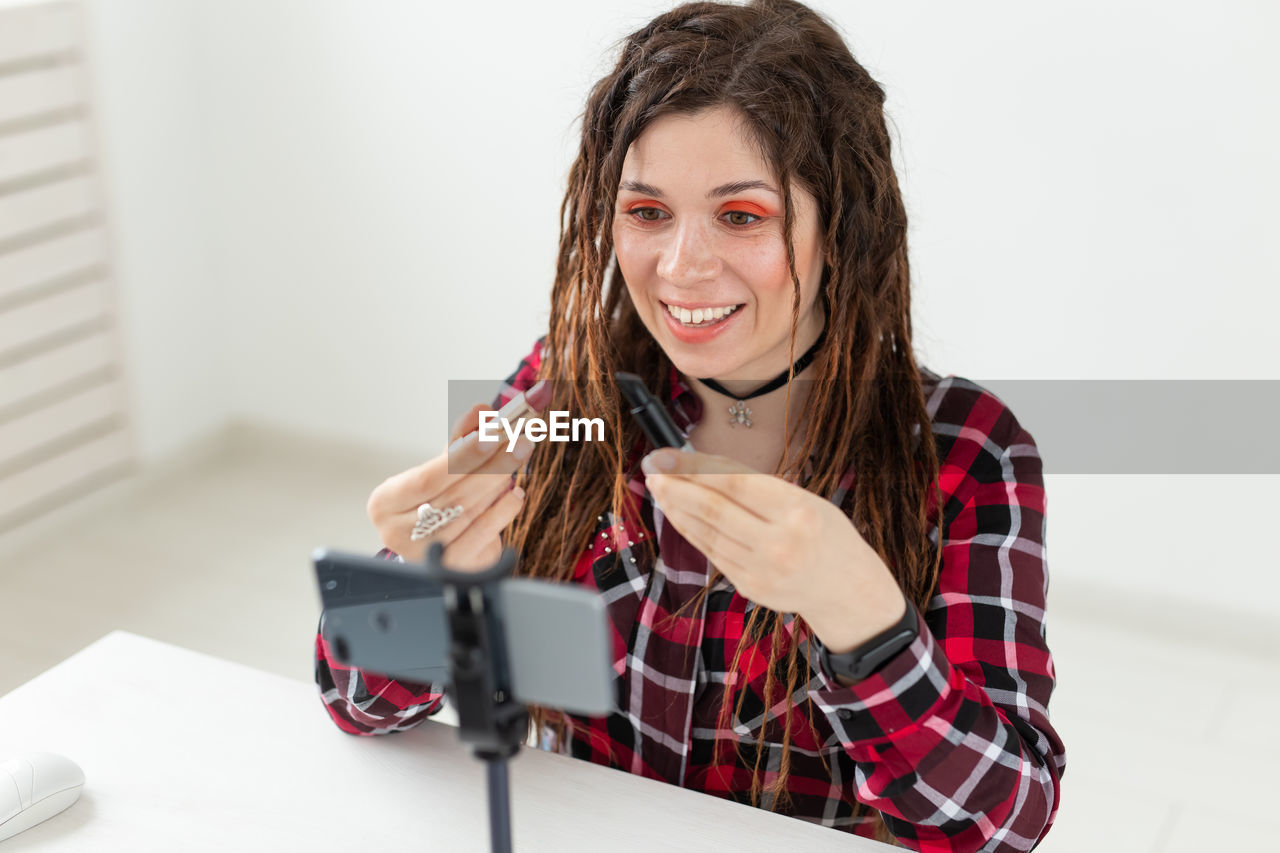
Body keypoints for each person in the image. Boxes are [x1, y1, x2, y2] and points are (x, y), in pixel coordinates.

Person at [314, 0, 1066, 849]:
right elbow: (350, 700)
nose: (681, 267)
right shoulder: (571, 405)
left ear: (843, 227)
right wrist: (420, 587)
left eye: (742, 217)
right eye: (646, 212)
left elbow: (1007, 823)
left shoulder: (966, 453)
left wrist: (861, 616)